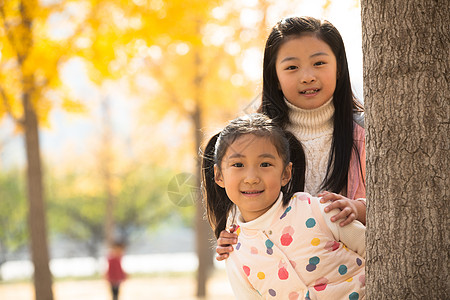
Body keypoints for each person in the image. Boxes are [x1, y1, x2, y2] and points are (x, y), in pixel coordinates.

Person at [216, 16, 366, 260]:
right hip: (284, 277)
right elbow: (245, 198)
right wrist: (234, 233)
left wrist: (359, 209)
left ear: (339, 68)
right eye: (292, 67)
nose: (307, 76)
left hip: (352, 275)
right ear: (274, 76)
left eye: (319, 63)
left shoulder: (366, 135)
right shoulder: (255, 139)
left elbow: (397, 205)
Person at [202, 113, 365, 299]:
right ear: (219, 176)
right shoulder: (235, 253)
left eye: (265, 164)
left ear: (286, 173)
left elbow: (379, 252)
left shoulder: (319, 211)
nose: (252, 178)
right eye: (238, 164)